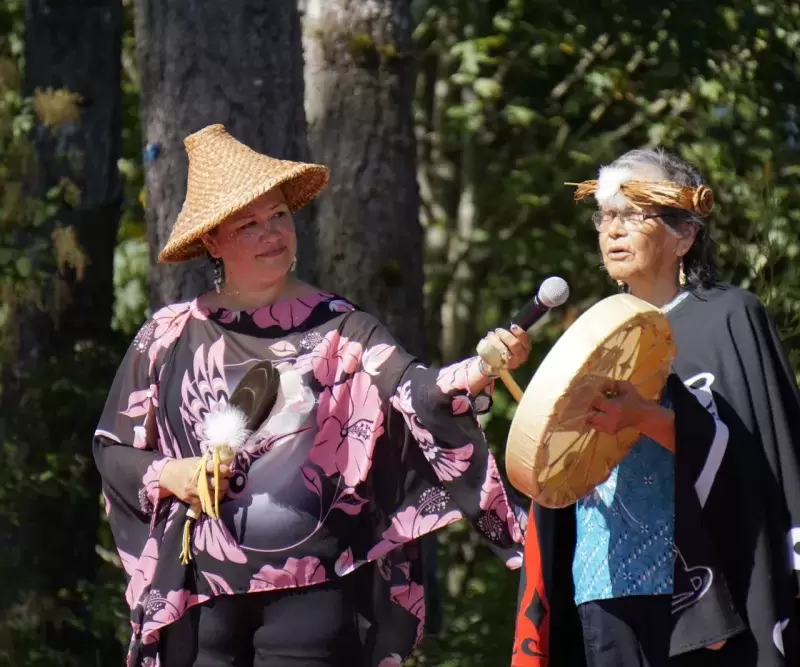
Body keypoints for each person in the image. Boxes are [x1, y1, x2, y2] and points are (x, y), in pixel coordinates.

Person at [94, 124, 531, 667]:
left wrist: (477, 369)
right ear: (212, 240)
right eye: (248, 224)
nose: (271, 232)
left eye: (278, 215)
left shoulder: (343, 328)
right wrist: (174, 475)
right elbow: (113, 450)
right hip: (199, 590)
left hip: (317, 585)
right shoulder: (167, 335)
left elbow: (415, 389)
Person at [511, 149, 800, 666]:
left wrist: (645, 416)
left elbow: (758, 468)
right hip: (602, 578)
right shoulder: (594, 338)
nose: (614, 229)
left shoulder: (729, 317)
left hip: (703, 588)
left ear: (685, 235)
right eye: (606, 215)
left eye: (634, 214)